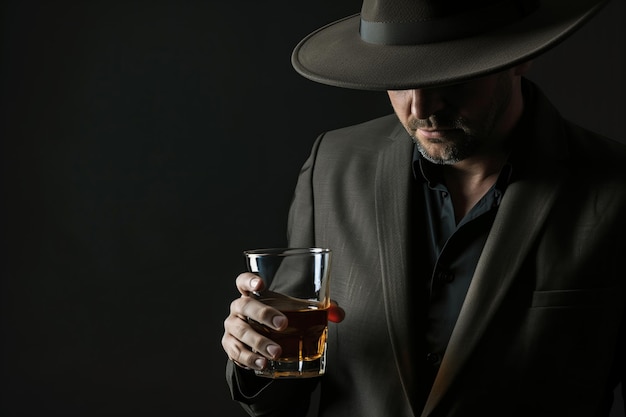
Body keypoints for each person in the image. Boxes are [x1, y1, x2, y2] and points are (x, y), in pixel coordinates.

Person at [221, 0, 626, 415]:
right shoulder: (332, 164)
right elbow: (285, 384)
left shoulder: (615, 190)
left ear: (519, 60)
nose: (420, 109)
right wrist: (256, 353)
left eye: (448, 77)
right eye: (398, 80)